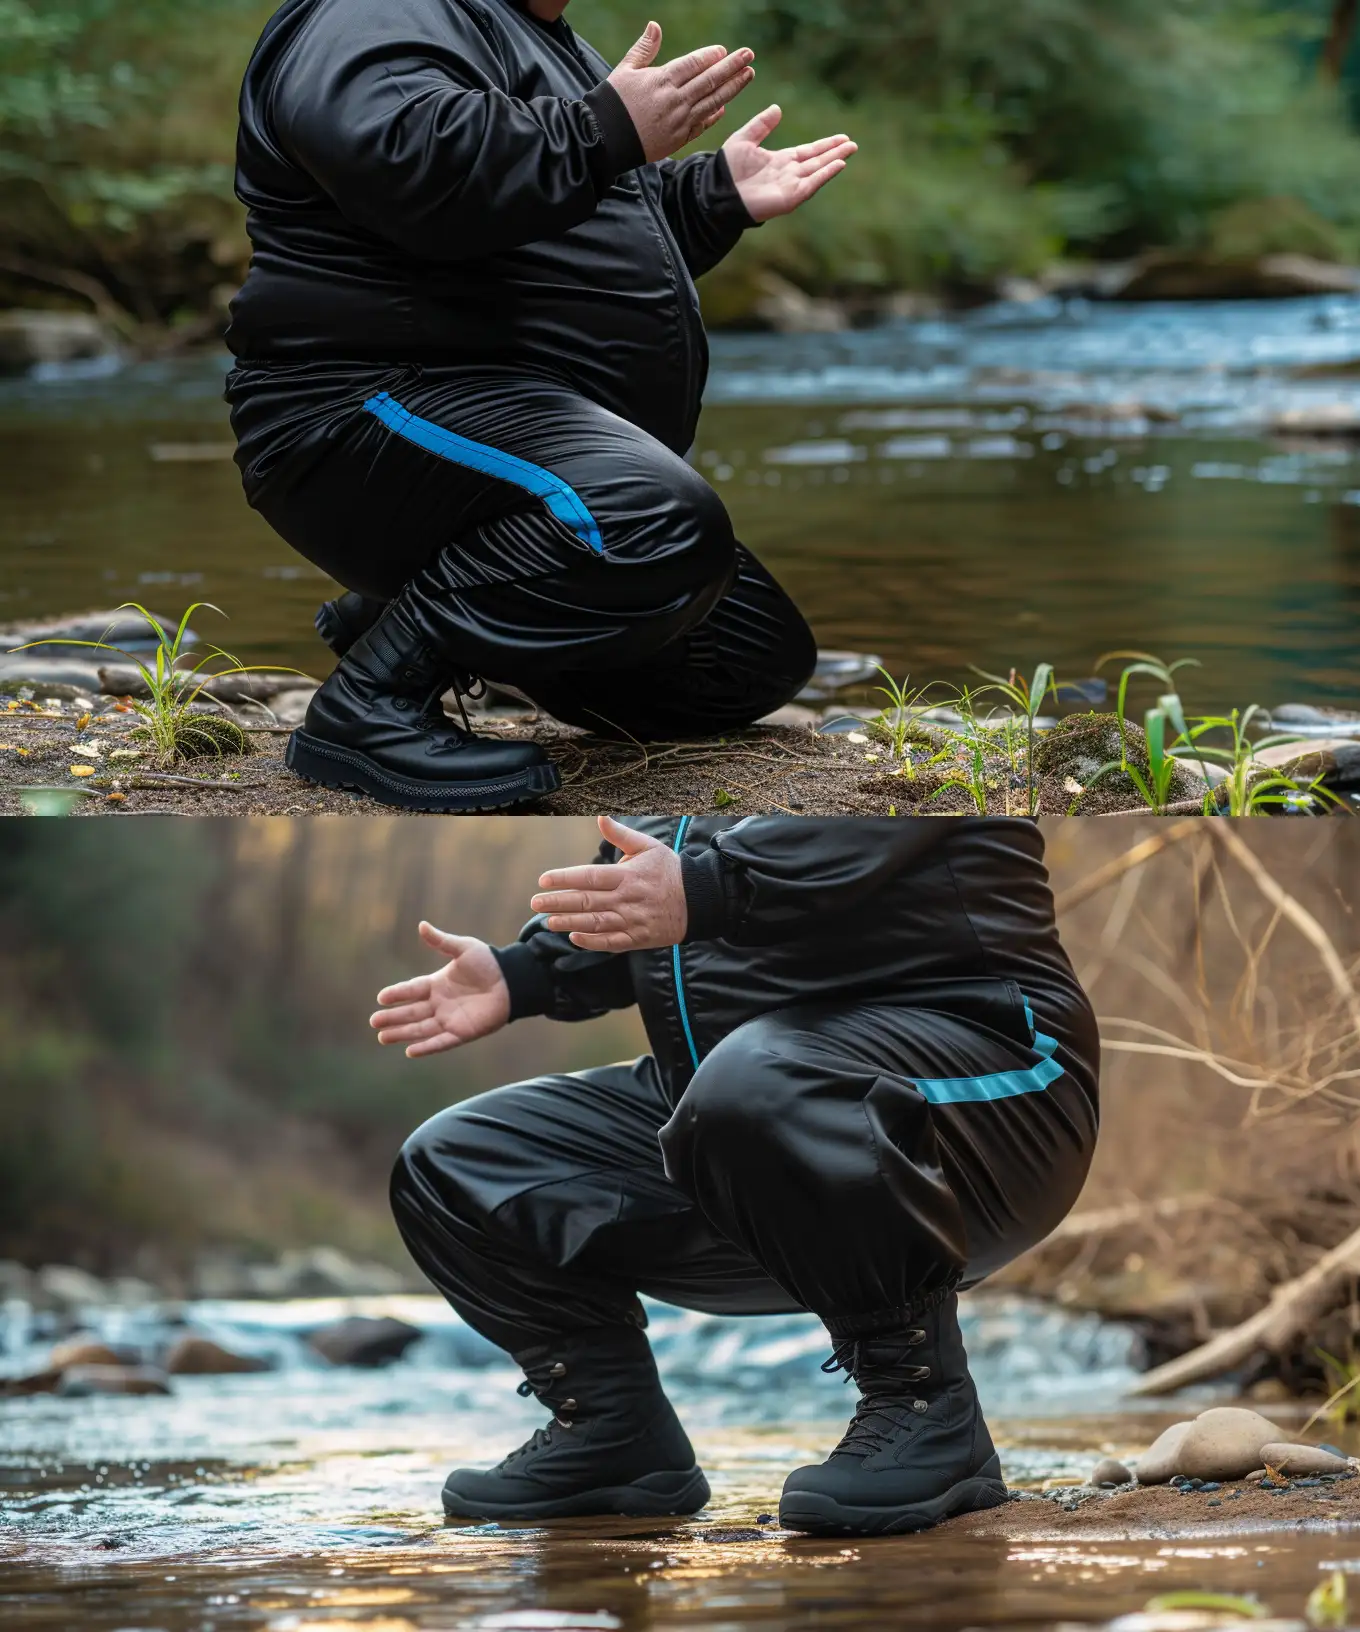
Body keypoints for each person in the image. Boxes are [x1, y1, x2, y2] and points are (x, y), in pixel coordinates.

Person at [373, 816, 1099, 1537]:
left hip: (995, 1089)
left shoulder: (901, 754)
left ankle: (927, 1412)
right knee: (455, 1164)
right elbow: (640, 903)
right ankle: (610, 1431)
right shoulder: (661, 783)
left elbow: (829, 847)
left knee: (760, 1082)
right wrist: (522, 973)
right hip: (732, 1116)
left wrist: (711, 884)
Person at [224, 0, 859, 811]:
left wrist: (712, 196)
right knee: (652, 521)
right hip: (364, 404)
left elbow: (566, 224)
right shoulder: (379, 13)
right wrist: (605, 129)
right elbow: (409, 162)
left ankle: (420, 610)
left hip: (488, 417)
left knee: (749, 659)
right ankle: (369, 706)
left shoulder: (548, 44)